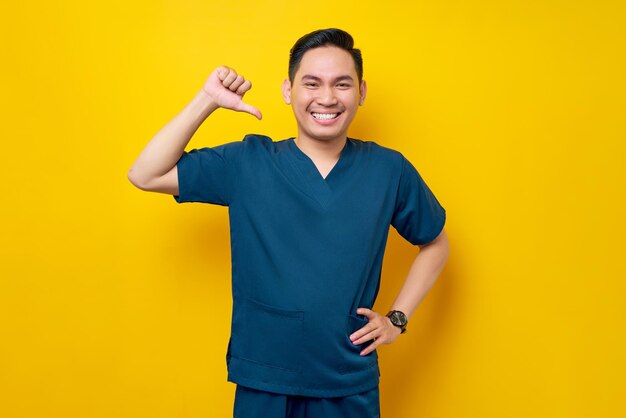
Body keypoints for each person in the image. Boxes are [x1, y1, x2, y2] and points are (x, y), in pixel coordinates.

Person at [128, 28, 449, 418]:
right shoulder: (248, 162)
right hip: (265, 379)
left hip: (348, 380)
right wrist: (206, 101)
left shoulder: (388, 170)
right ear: (288, 90)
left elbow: (435, 243)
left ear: (361, 92)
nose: (327, 98)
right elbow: (145, 174)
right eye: (311, 83)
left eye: (342, 84)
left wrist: (397, 320)